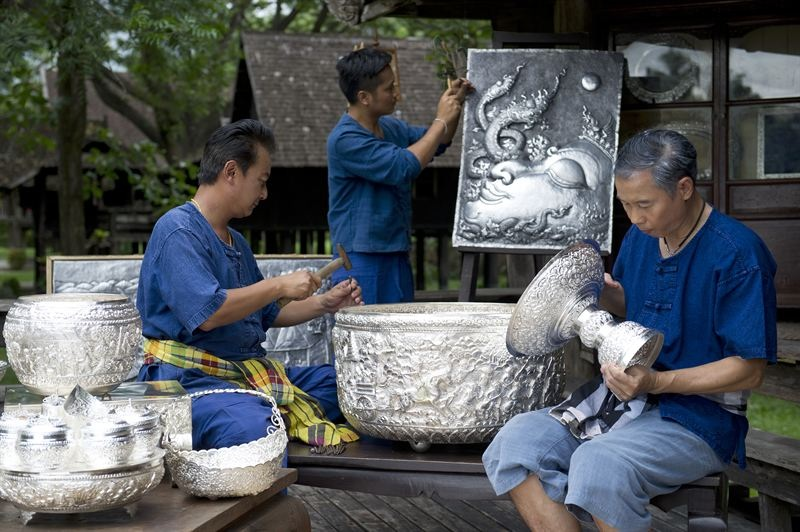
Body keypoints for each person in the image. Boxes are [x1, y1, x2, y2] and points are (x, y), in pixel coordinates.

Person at [482, 129, 777, 532]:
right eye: (625, 205)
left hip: (698, 418)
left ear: (684, 188)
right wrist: (606, 297)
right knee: (516, 443)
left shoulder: (738, 255)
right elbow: (637, 311)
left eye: (644, 204)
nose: (635, 218)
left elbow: (750, 369)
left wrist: (657, 381)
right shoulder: (641, 238)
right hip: (617, 403)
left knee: (600, 463)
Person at [137, 118, 363, 451]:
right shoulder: (178, 231)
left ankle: (268, 410)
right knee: (256, 427)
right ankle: (268, 424)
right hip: (188, 381)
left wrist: (324, 303)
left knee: (349, 386)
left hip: (242, 374)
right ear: (231, 172)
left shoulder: (236, 242)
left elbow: (267, 312)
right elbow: (210, 312)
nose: (264, 193)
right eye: (261, 181)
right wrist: (278, 285)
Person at [327, 46, 474, 304]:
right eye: (389, 88)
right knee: (363, 338)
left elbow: (437, 142)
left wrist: (455, 105)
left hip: (395, 252)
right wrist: (440, 120)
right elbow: (403, 167)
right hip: (360, 257)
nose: (397, 94)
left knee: (396, 335)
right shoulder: (344, 139)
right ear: (364, 97)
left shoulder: (391, 127)